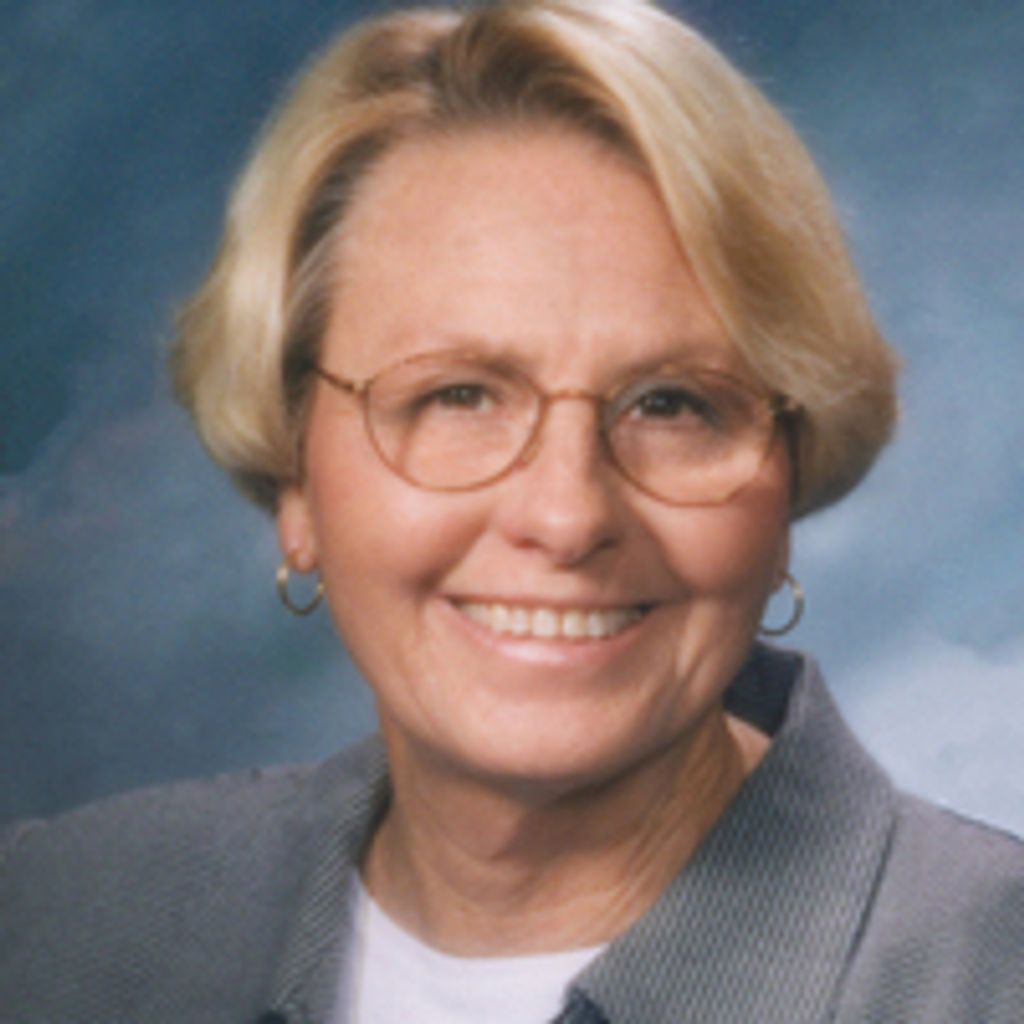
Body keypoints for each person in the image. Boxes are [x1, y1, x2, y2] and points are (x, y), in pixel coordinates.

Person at [1, 1, 1020, 1020]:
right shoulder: (55, 919)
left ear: (789, 476)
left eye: (671, 404)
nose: (566, 517)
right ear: (293, 476)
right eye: (458, 395)